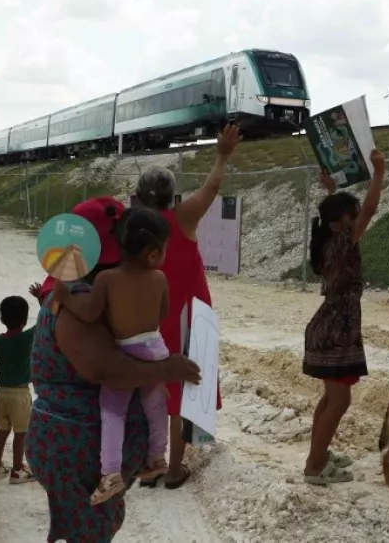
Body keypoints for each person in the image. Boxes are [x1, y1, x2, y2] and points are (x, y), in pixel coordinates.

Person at [25, 196, 201, 543]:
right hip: (75, 450)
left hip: (76, 450)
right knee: (87, 532)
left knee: (88, 528)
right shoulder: (79, 295)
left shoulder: (97, 290)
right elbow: (105, 369)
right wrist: (168, 368)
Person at [133, 123, 240, 488]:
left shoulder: (133, 227)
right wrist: (222, 155)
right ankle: (174, 468)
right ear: (170, 195)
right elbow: (212, 188)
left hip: (147, 317)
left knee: (150, 391)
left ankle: (151, 464)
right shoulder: (182, 219)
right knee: (181, 396)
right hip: (187, 316)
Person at [53, 206, 172, 505]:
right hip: (156, 348)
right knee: (155, 404)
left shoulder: (107, 279)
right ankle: (158, 456)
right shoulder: (159, 278)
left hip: (127, 351)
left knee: (113, 412)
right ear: (153, 254)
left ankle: (110, 473)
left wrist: (66, 298)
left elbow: (91, 314)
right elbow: (164, 313)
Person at [302, 148, 386, 485]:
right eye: (350, 216)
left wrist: (332, 194)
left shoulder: (327, 239)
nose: (358, 220)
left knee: (331, 399)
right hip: (338, 327)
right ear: (342, 222)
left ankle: (318, 457)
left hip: (329, 325)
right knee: (339, 401)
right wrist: (378, 172)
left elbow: (342, 214)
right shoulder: (343, 241)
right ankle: (313, 467)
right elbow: (370, 208)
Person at [0, 296, 35, 485]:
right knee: (21, 433)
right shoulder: (27, 337)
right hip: (20, 394)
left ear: (1, 319)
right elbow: (45, 324)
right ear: (25, 320)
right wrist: (40, 299)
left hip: (1, 393)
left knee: (2, 430)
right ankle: (17, 469)